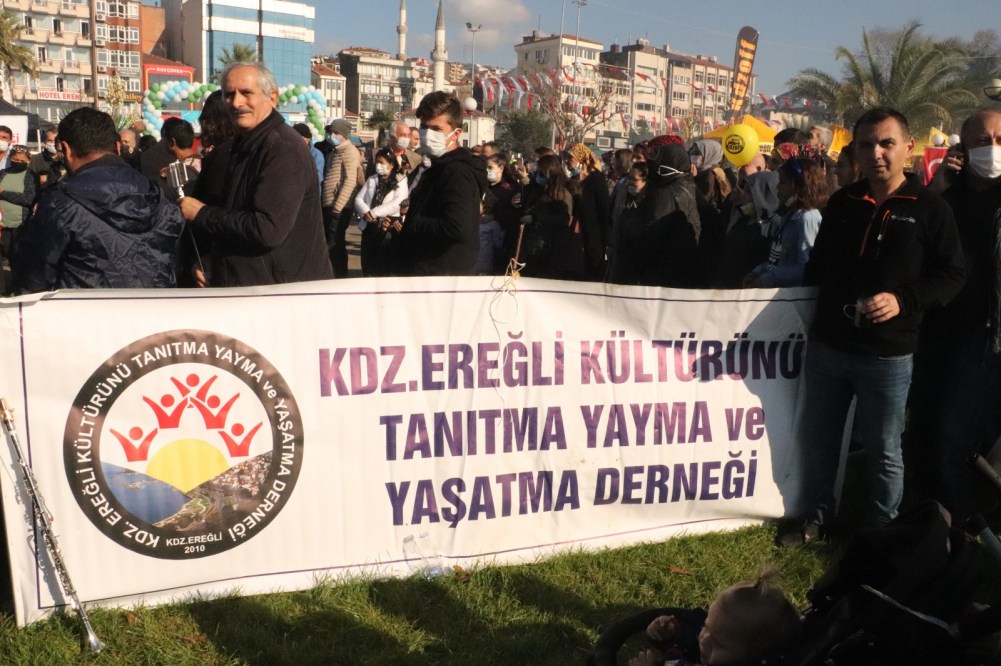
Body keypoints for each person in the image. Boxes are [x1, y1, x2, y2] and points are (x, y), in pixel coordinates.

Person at [788, 107, 966, 543]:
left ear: (908, 147)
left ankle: (881, 534)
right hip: (829, 347)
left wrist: (903, 300)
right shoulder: (842, 203)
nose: (876, 153)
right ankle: (816, 518)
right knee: (821, 439)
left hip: (887, 355)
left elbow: (952, 274)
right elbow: (817, 268)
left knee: (884, 451)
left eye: (887, 143)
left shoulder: (931, 208)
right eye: (866, 145)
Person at [908, 108, 1001, 525]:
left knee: (958, 427)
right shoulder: (944, 197)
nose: (993, 149)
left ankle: (957, 516)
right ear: (963, 147)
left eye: (1000, 140)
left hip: (986, 330)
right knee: (928, 419)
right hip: (939, 325)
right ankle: (933, 506)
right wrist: (936, 188)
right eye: (983, 141)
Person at [178, 62, 331, 287]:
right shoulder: (241, 146)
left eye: (246, 93)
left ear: (272, 97)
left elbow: (266, 229)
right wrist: (212, 262)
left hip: (282, 294)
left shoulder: (282, 147)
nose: (237, 102)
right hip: (253, 289)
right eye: (229, 95)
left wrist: (201, 213)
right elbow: (234, 224)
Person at [12, 108, 182, 292]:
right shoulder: (158, 194)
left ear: (66, 150)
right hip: (156, 306)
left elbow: (32, 277)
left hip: (85, 308)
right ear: (118, 146)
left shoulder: (60, 202)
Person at [391, 91, 488, 276]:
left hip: (439, 276)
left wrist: (415, 221)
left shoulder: (457, 172)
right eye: (424, 127)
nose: (428, 134)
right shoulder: (435, 166)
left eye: (436, 129)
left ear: (456, 133)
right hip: (423, 271)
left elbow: (457, 227)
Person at [627, 568, 802, 666]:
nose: (704, 639)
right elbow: (693, 646)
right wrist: (673, 634)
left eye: (718, 643)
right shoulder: (721, 647)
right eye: (706, 626)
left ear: (753, 657)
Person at [743, 150, 826, 288]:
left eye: (782, 183)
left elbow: (804, 268)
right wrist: (758, 271)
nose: (777, 187)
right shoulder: (789, 216)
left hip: (791, 296)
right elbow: (776, 259)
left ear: (797, 186)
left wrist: (767, 279)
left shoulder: (807, 219)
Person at [629, 141, 702, 287]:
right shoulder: (692, 187)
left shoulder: (666, 192)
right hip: (686, 268)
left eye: (661, 159)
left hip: (662, 270)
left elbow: (653, 233)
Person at [517, 154, 574, 278]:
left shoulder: (562, 194)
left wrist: (535, 218)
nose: (539, 176)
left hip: (550, 248)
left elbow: (563, 220)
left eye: (542, 173)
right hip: (533, 244)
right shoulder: (540, 190)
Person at [355, 147, 408, 277]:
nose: (378, 165)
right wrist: (365, 212)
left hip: (387, 228)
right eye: (377, 162)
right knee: (368, 265)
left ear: (391, 164)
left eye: (382, 163)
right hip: (369, 226)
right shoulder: (372, 179)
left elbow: (398, 202)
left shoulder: (400, 181)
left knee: (383, 266)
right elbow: (359, 199)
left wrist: (374, 212)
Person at [563, 143, 610, 280]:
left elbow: (603, 209)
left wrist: (605, 240)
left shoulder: (597, 179)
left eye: (570, 158)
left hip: (592, 237)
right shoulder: (573, 180)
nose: (567, 161)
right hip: (575, 236)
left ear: (581, 159)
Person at [322, 118, 361, 278]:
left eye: (335, 132)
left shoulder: (350, 152)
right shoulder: (334, 152)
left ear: (343, 134)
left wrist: (338, 207)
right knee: (331, 242)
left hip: (340, 207)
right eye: (331, 132)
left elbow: (350, 181)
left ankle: (339, 275)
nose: (331, 135)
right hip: (329, 204)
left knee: (335, 243)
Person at [0, 145, 39, 294]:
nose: (18, 162)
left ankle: (18, 289)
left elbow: (28, 199)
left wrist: (4, 193)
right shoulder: (3, 173)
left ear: (28, 160)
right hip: (2, 225)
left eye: (22, 160)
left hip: (20, 225)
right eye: (15, 159)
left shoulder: (30, 176)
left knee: (17, 259)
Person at [293, 122, 325, 187]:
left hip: (309, 190)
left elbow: (318, 177)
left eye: (301, 138)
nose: (297, 141)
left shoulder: (316, 154)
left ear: (308, 139)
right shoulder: (289, 151)